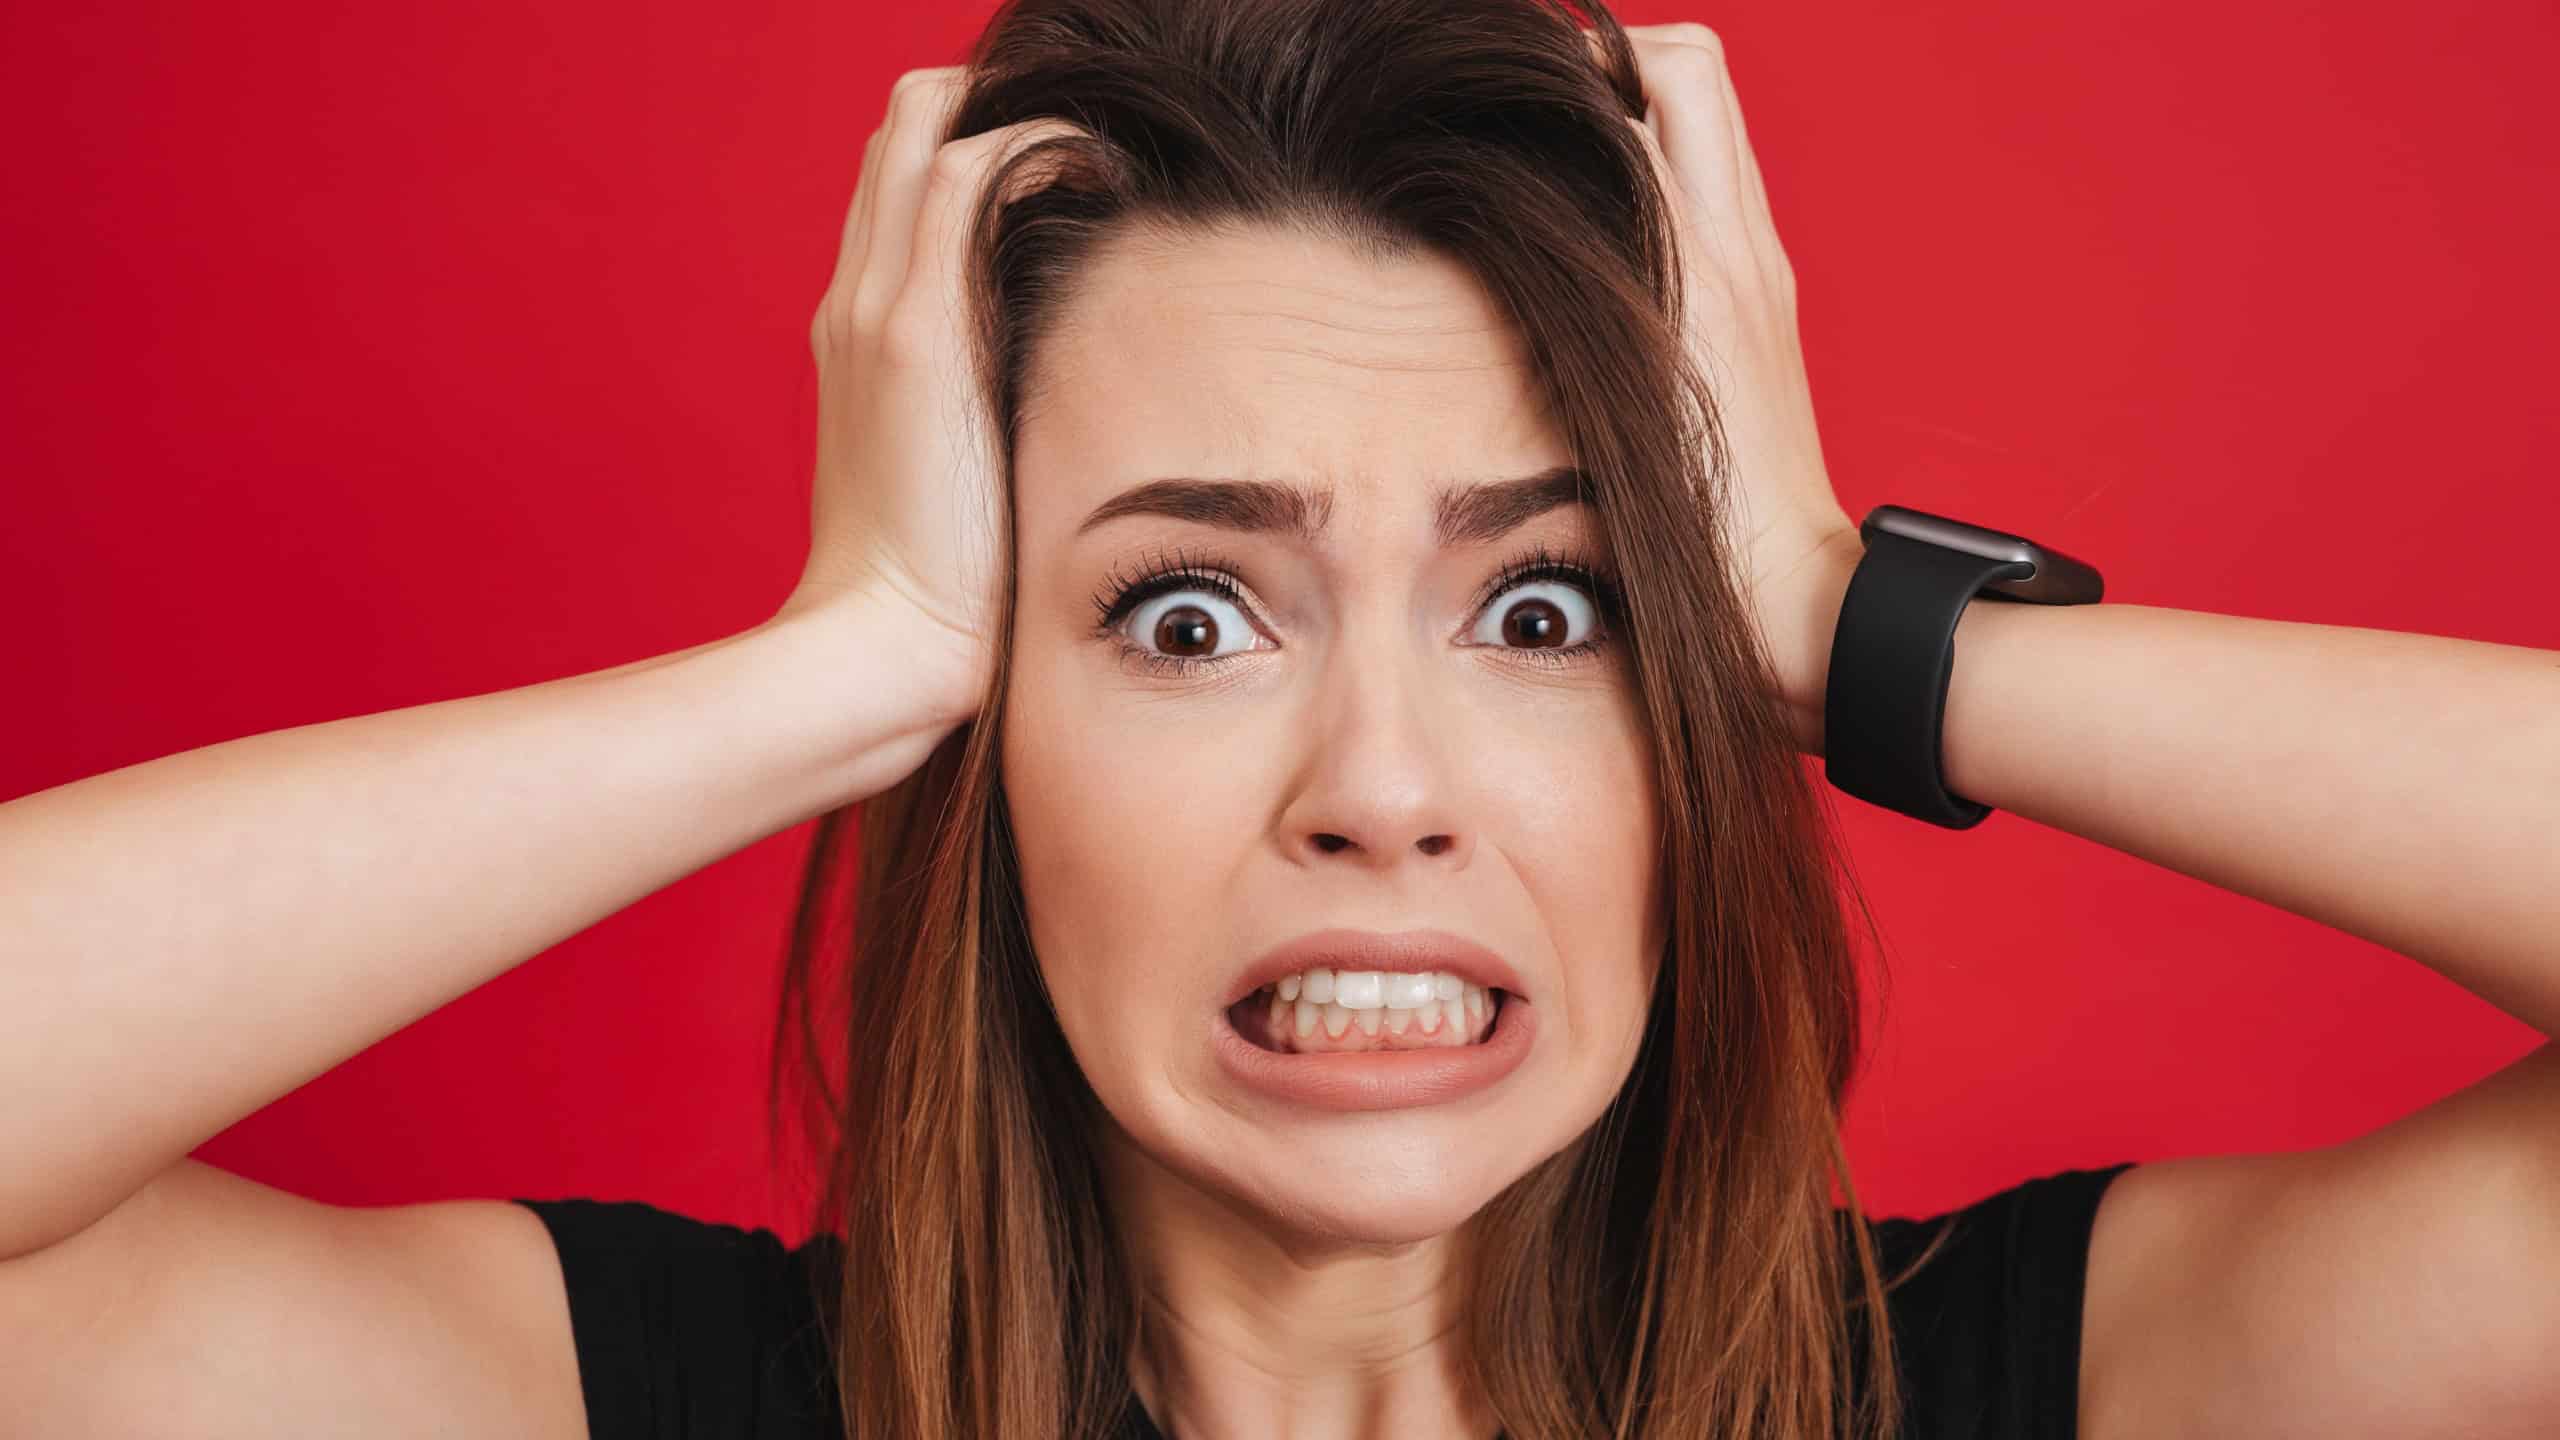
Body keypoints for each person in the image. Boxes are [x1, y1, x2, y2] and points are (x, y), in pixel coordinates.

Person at [4, 1, 2554, 1438]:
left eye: (1543, 615)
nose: (1380, 793)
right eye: (1189, 618)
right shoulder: (629, 1408)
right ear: (993, 734)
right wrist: (847, 664)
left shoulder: (2051, 1396)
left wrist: (1824, 615)